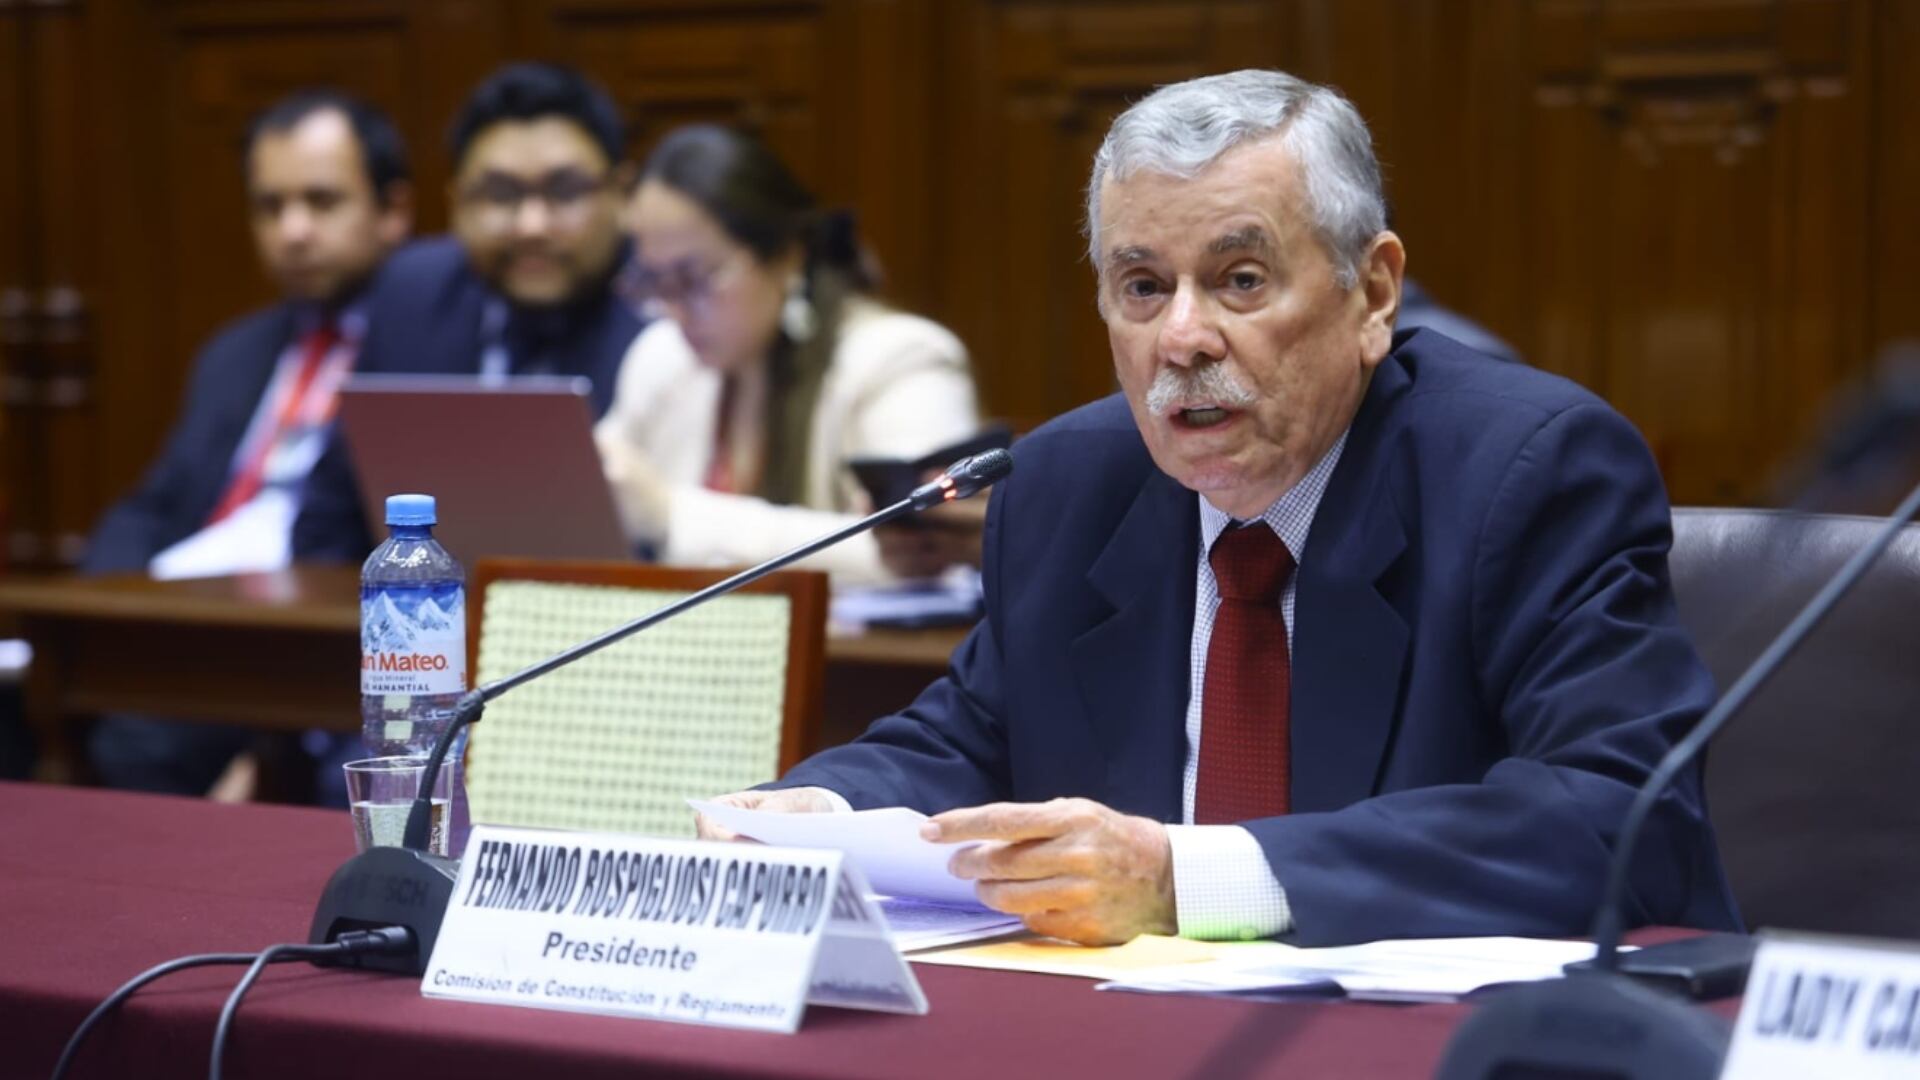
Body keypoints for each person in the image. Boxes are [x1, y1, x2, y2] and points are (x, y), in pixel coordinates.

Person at [697, 70, 1742, 947]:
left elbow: (1619, 821)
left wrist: (1185, 880)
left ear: (1374, 293)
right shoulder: (1067, 486)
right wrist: (810, 817)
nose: (1182, 339)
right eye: (1143, 287)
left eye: (1240, 280)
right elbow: (968, 741)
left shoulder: (1526, 474)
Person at [83, 90, 412, 794]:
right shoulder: (234, 353)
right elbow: (155, 504)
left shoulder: (425, 351)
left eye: (321, 201)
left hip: (311, 647)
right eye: (271, 205)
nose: (293, 230)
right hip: (194, 628)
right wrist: (111, 604)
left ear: (393, 211)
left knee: (143, 741)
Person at [595, 124, 981, 584]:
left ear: (786, 257)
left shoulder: (901, 359)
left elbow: (922, 552)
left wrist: (671, 514)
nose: (673, 309)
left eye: (694, 278)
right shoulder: (663, 355)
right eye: (654, 281)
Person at [292, 62, 644, 564]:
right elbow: (329, 518)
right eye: (500, 194)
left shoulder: (667, 317)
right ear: (456, 203)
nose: (532, 225)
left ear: (623, 195)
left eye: (564, 191)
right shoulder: (411, 296)